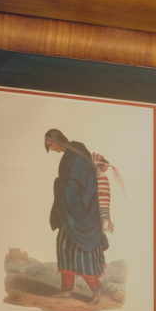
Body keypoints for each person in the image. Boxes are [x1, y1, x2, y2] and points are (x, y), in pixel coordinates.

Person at [44, 128, 107, 301]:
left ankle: (97, 291)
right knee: (64, 247)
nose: (52, 149)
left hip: (82, 213)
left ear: (58, 140)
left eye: (52, 144)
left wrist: (58, 184)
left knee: (82, 253)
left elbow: (80, 186)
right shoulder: (71, 153)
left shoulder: (76, 156)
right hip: (70, 212)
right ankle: (66, 290)